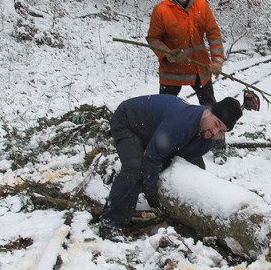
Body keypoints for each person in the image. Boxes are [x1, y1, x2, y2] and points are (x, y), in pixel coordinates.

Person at [97, 94, 243, 239]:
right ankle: (111, 223)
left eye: (222, 131)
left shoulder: (208, 138)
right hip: (128, 122)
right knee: (134, 168)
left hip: (157, 132)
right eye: (216, 124)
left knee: (196, 169)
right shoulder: (181, 122)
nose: (215, 133)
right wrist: (151, 193)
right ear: (206, 112)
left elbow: (184, 159)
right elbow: (152, 156)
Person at [147, 0, 229, 163]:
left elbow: (214, 34)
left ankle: (218, 146)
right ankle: (157, 145)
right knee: (164, 110)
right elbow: (153, 38)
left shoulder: (201, 5)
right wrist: (168, 54)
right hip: (171, 72)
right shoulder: (162, 10)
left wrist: (217, 59)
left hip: (199, 69)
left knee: (211, 108)